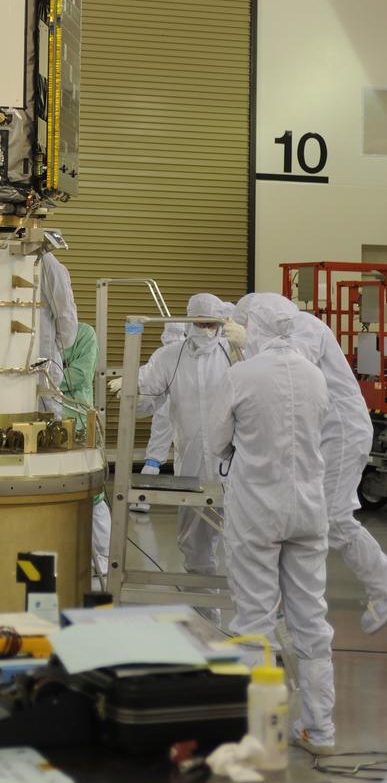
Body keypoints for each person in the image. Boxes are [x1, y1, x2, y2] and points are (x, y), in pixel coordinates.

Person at [210, 293, 335, 755]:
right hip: (308, 509)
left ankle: (263, 731)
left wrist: (239, 454)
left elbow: (218, 439)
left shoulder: (240, 374)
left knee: (256, 618)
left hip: (257, 508)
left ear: (254, 326)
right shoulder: (313, 374)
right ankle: (319, 730)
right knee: (311, 618)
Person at [232, 292, 387, 636]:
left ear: (257, 319)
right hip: (322, 430)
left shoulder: (304, 328)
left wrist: (248, 346)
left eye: (247, 326)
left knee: (332, 517)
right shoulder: (285, 332)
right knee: (310, 519)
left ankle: (383, 586)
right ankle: (288, 607)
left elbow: (289, 367)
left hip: (341, 429)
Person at [132, 295, 231, 576]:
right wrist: (130, 386)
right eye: (200, 323)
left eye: (212, 324)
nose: (206, 330)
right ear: (189, 321)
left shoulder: (233, 353)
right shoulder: (169, 357)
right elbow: (144, 404)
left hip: (235, 469)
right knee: (194, 548)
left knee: (245, 548)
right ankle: (206, 616)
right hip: (191, 468)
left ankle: (248, 617)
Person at [60, 323, 110, 576]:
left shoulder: (85, 334)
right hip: (45, 422)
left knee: (93, 495)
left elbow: (80, 374)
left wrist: (45, 374)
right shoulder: (40, 332)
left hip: (78, 423)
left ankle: (101, 556)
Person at [130, 323, 185, 513]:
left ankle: (142, 498)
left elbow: (146, 375)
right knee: (183, 453)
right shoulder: (188, 351)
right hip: (182, 408)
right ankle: (184, 497)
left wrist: (129, 381)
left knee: (155, 453)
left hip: (163, 405)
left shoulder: (163, 353)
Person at [38, 249, 79, 413]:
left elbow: (64, 315)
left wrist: (53, 346)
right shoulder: (47, 263)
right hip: (41, 357)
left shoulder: (46, 262)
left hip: (42, 361)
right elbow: (66, 315)